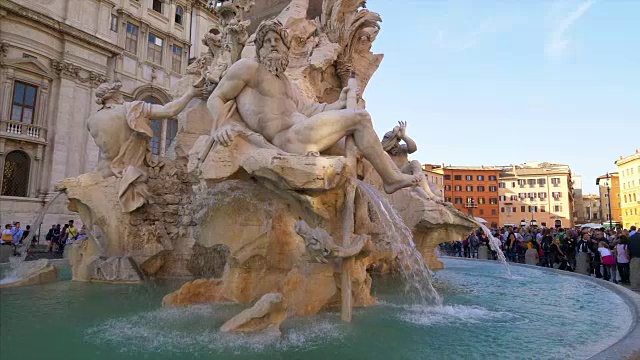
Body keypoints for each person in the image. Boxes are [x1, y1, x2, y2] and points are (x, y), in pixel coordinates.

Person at [199, 19, 422, 194]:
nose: (273, 45)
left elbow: (309, 111)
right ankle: (391, 180)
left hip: (304, 132)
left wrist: (340, 103)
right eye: (267, 41)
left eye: (277, 40)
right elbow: (215, 98)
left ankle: (391, 176)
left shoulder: (285, 82)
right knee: (360, 118)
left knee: (360, 146)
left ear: (286, 47)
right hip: (288, 139)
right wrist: (221, 126)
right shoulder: (248, 68)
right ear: (260, 48)